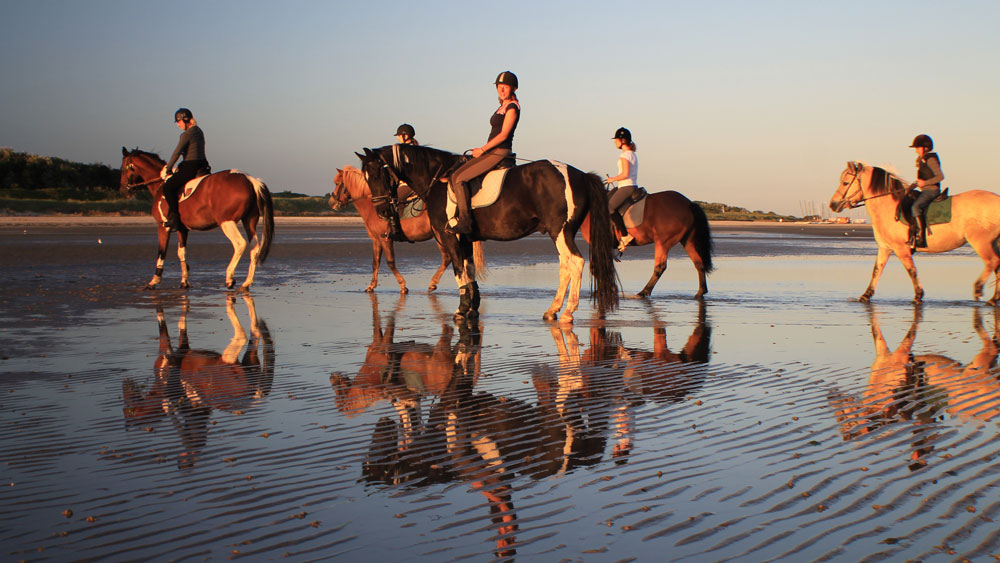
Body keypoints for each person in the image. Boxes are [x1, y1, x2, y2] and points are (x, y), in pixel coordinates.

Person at [447, 71, 521, 234]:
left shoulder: (512, 107)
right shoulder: (501, 107)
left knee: (459, 178)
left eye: (505, 87)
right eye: (499, 87)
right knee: (456, 169)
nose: (501, 90)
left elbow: (504, 135)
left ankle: (465, 221)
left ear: (513, 88)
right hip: (491, 151)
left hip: (499, 151)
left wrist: (482, 149)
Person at [161, 108, 209, 230]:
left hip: (190, 166)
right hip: (203, 164)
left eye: (178, 121)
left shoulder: (186, 134)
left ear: (185, 120)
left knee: (168, 187)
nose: (178, 124)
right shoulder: (199, 131)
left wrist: (168, 168)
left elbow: (177, 152)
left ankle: (175, 218)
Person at [604, 127, 638, 252]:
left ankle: (625, 235)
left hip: (626, 186)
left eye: (616, 139)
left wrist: (612, 179)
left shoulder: (625, 156)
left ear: (622, 140)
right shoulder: (632, 154)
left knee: (609, 207)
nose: (615, 142)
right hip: (630, 185)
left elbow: (625, 174)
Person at [908, 134, 943, 248]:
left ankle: (921, 238)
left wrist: (925, 183)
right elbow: (921, 180)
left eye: (918, 148)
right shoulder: (922, 160)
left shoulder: (930, 159)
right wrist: (909, 188)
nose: (916, 150)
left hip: (932, 191)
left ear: (925, 148)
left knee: (915, 207)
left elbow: (940, 176)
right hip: (925, 190)